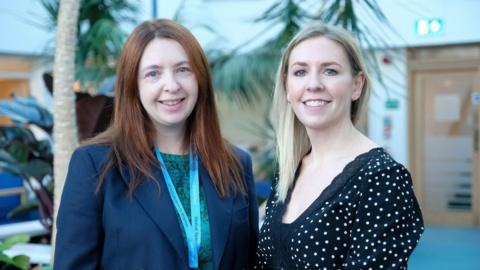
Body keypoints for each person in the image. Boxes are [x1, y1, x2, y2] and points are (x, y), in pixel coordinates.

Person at [54, 19, 258, 270]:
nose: (171, 86)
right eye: (153, 73)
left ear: (200, 78)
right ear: (133, 86)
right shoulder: (95, 165)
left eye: (183, 69)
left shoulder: (235, 163)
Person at [254, 22, 423, 269]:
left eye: (330, 71)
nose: (313, 84)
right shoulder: (291, 168)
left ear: (356, 85)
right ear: (287, 89)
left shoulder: (382, 177)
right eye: (300, 72)